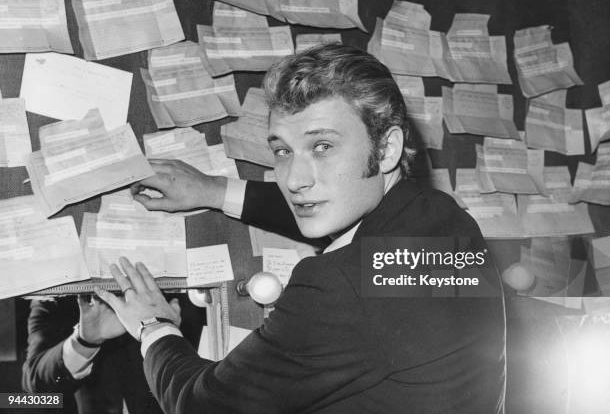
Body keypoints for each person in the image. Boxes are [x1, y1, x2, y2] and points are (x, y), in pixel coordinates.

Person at [95, 44, 506, 413]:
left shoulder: (336, 288)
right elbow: (336, 202)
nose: (293, 180)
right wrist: (215, 190)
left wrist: (155, 327)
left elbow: (200, 406)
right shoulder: (441, 217)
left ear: (387, 149)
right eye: (282, 151)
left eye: (322, 147)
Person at [22, 294, 204, 414]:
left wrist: (164, 335)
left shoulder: (172, 286)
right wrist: (84, 341)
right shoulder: (56, 296)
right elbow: (35, 384)